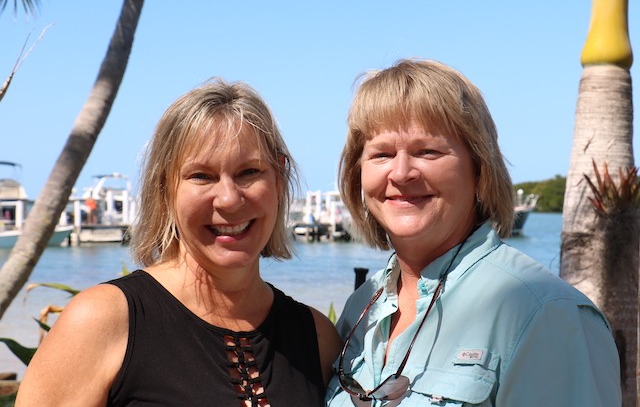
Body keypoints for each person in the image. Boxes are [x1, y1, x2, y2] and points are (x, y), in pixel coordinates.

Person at [17, 79, 342, 406]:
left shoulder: (317, 337)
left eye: (249, 172)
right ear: (165, 189)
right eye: (201, 176)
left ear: (279, 179)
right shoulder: (102, 322)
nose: (229, 199)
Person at [325, 59, 621, 406]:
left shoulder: (546, 314)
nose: (401, 173)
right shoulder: (362, 307)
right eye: (382, 154)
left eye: (427, 151)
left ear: (479, 168)